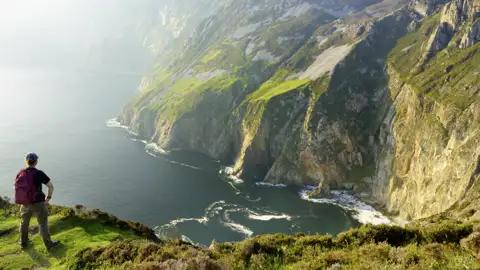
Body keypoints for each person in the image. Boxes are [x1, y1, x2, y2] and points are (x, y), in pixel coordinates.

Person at [14, 153, 60, 250]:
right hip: (38, 203)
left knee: (24, 223)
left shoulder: (21, 173)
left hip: (25, 203)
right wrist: (48, 198)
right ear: (36, 162)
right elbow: (51, 186)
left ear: (26, 161)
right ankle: (48, 244)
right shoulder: (39, 173)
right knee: (42, 223)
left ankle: (23, 242)